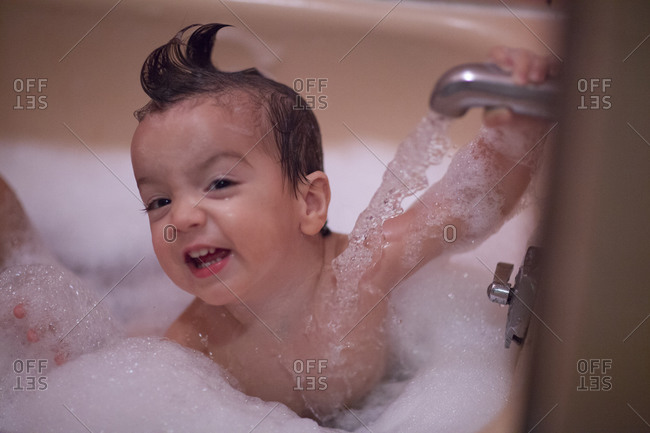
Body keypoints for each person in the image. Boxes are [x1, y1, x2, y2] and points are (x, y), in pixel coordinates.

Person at [10, 23, 557, 422]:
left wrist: (519, 132)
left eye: (219, 183)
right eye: (156, 202)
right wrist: (62, 352)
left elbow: (464, 209)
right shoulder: (191, 344)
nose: (181, 216)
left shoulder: (366, 269)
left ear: (310, 202)